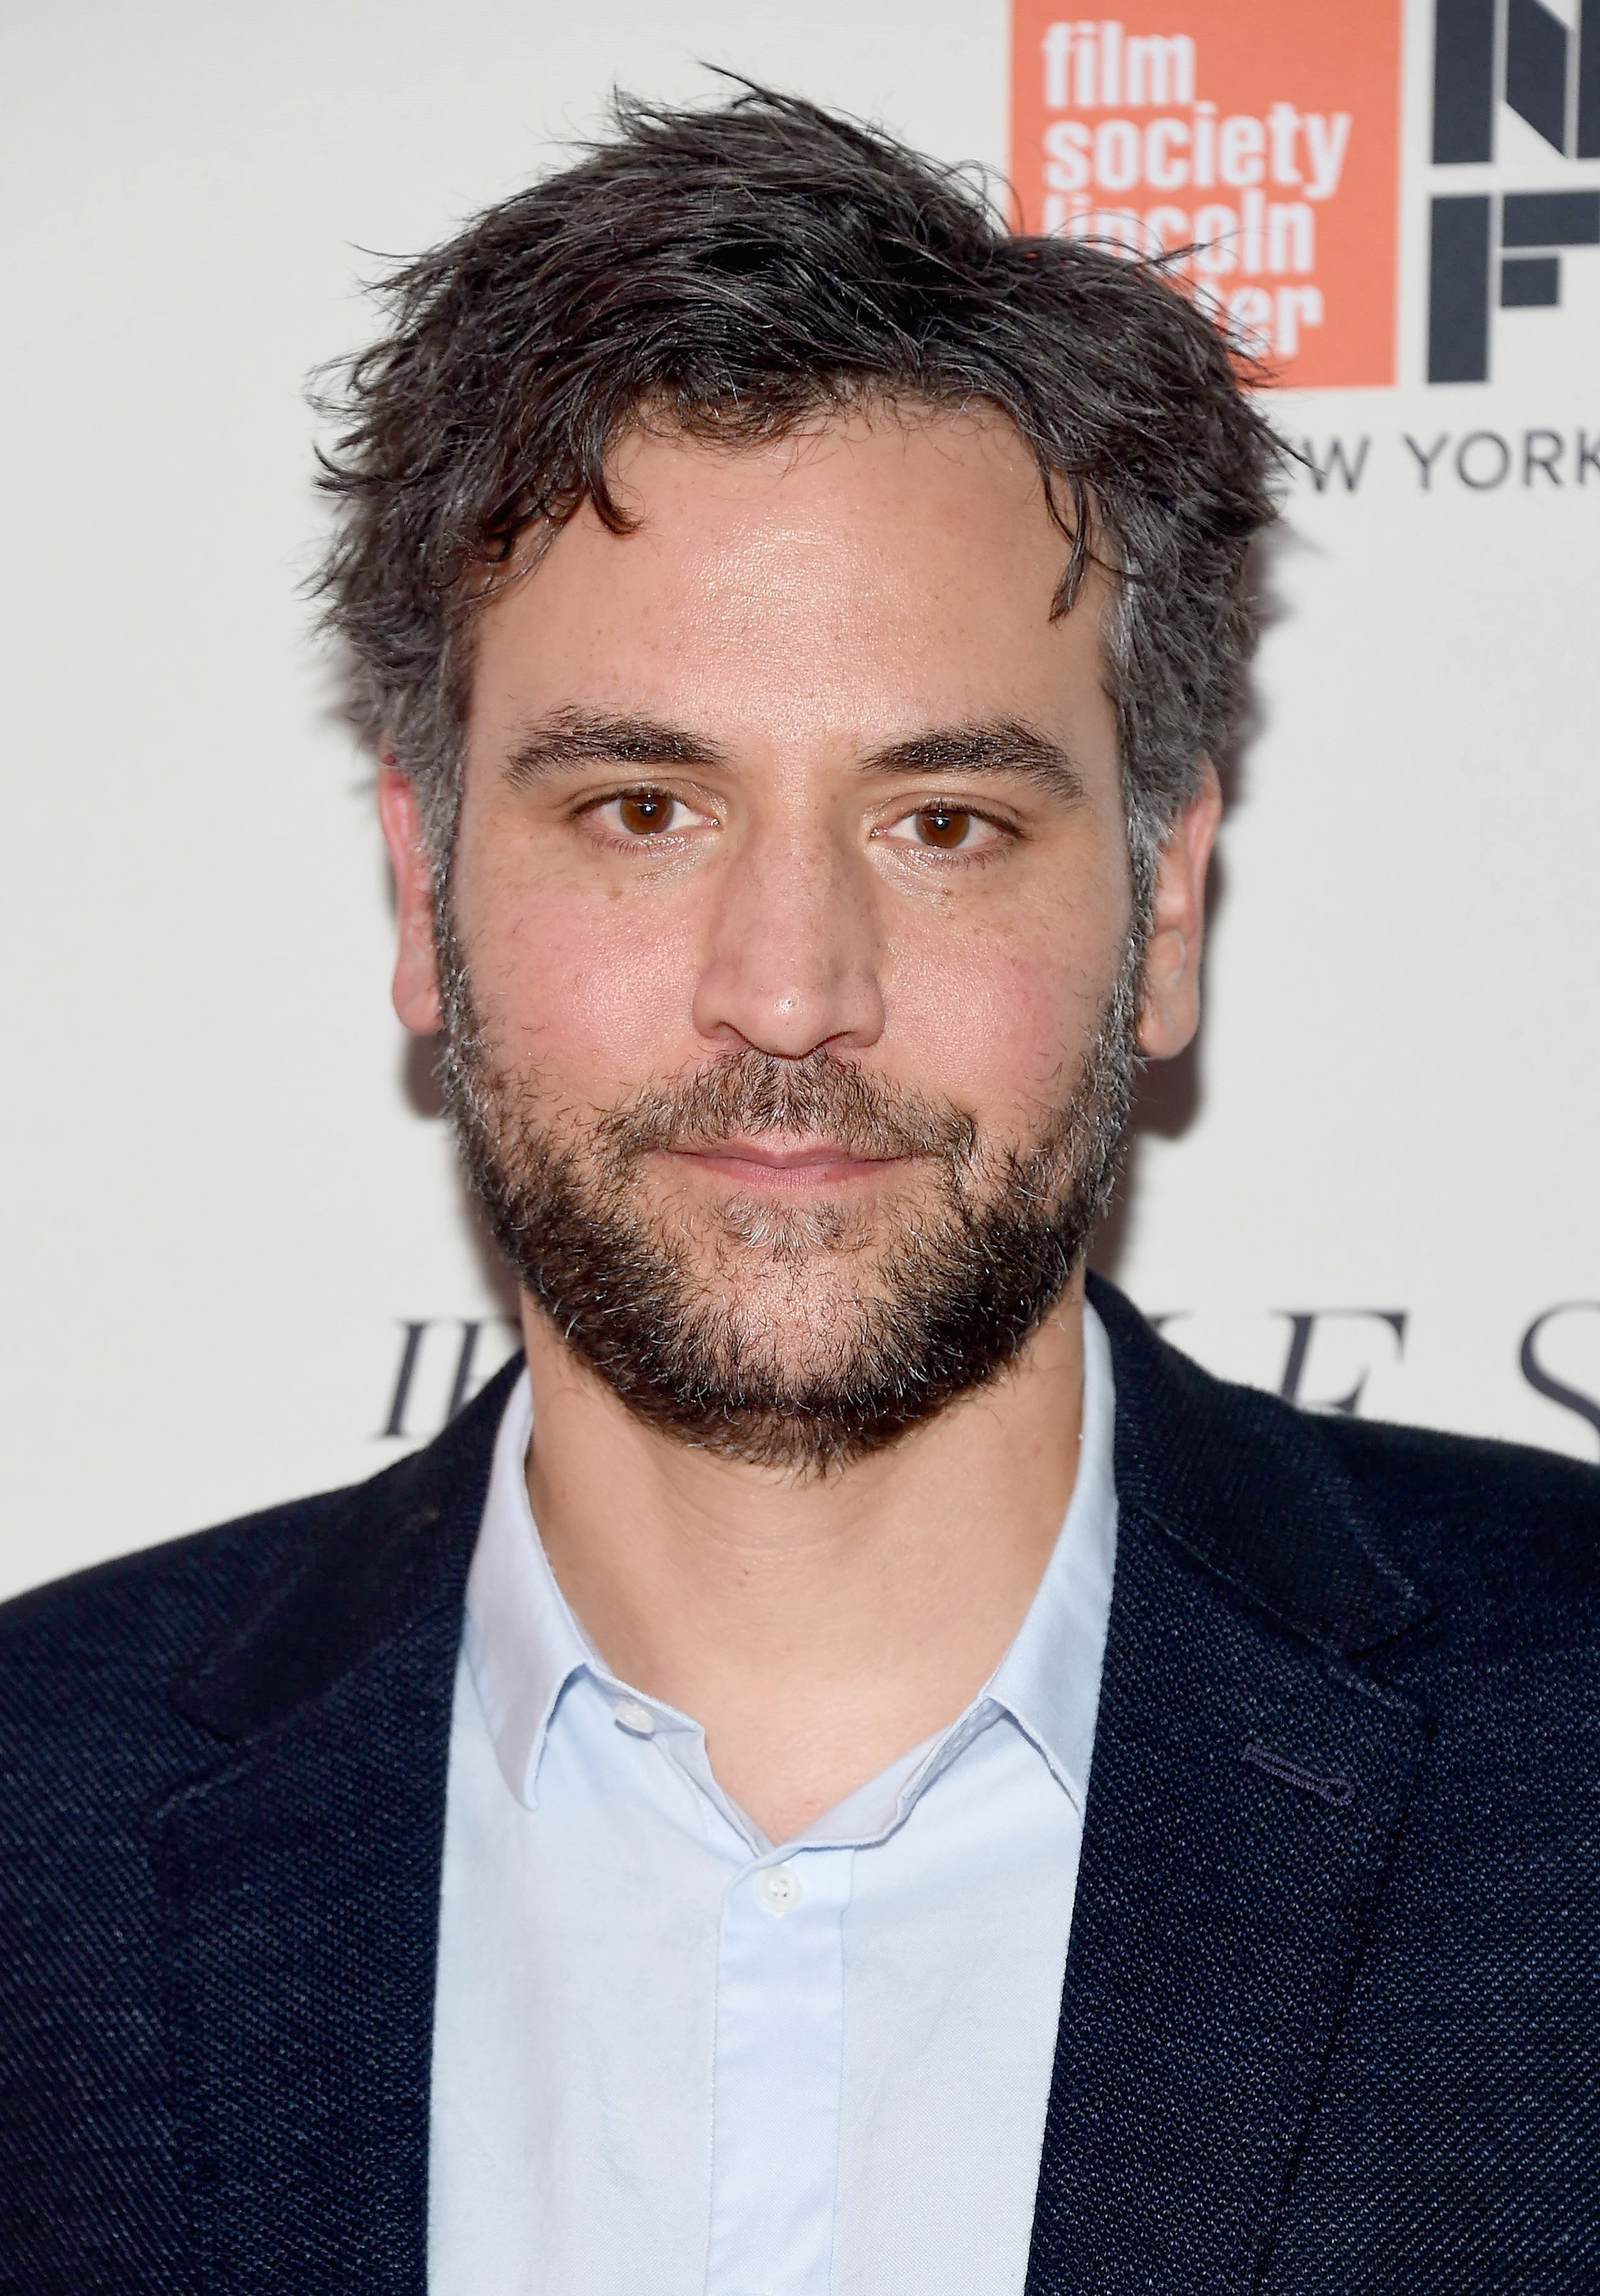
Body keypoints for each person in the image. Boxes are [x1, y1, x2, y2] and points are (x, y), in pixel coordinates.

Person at [1, 84, 1596, 2296]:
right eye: (641, 808)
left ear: (1159, 912)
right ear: (418, 887)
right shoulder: (31, 1827)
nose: (787, 992)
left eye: (941, 820)